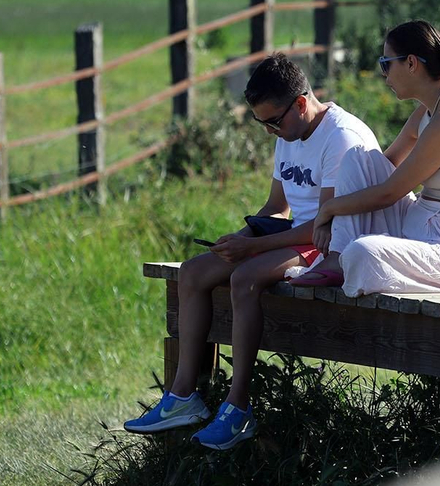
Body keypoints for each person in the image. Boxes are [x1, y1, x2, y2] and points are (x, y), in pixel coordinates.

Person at [123, 53, 391, 450]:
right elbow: (276, 208)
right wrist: (239, 237)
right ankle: (182, 398)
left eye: (272, 121)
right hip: (296, 237)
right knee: (194, 272)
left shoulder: (341, 138)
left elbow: (327, 223)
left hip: (334, 245)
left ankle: (238, 407)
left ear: (301, 103)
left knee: (245, 278)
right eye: (259, 122)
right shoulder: (290, 132)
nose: (268, 132)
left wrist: (255, 248)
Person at [297, 19, 440, 297]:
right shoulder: (431, 107)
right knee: (357, 158)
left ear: (412, 64)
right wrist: (334, 213)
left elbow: (388, 193)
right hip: (420, 224)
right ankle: (336, 259)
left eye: (386, 64)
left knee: (363, 252)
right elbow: (384, 164)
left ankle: (343, 259)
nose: (384, 75)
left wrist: (328, 210)